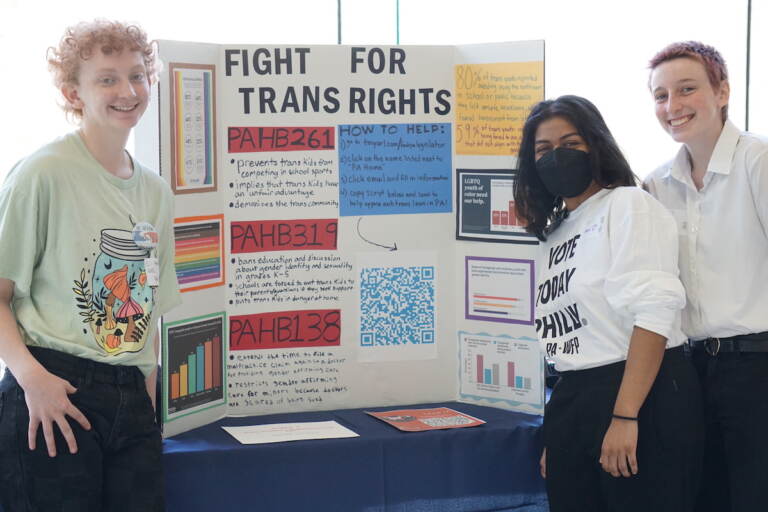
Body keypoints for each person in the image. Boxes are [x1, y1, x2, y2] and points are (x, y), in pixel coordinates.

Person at [0, 20, 181, 511]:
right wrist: (31, 380)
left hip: (132, 398)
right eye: (107, 78)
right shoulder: (43, 173)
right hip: (52, 385)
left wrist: (148, 406)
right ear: (72, 92)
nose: (128, 90)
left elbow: (147, 314)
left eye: (138, 75)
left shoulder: (157, 193)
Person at [513, 95, 702, 512]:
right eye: (543, 150)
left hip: (637, 393)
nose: (557, 156)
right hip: (574, 396)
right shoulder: (555, 232)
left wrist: (625, 416)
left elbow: (654, 311)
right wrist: (563, 434)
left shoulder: (628, 205)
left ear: (596, 145)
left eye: (571, 142)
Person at [645, 41, 768, 512]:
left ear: (722, 92)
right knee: (700, 498)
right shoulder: (657, 184)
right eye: (660, 96)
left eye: (686, 89)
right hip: (690, 371)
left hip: (757, 367)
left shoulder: (757, 161)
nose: (672, 107)